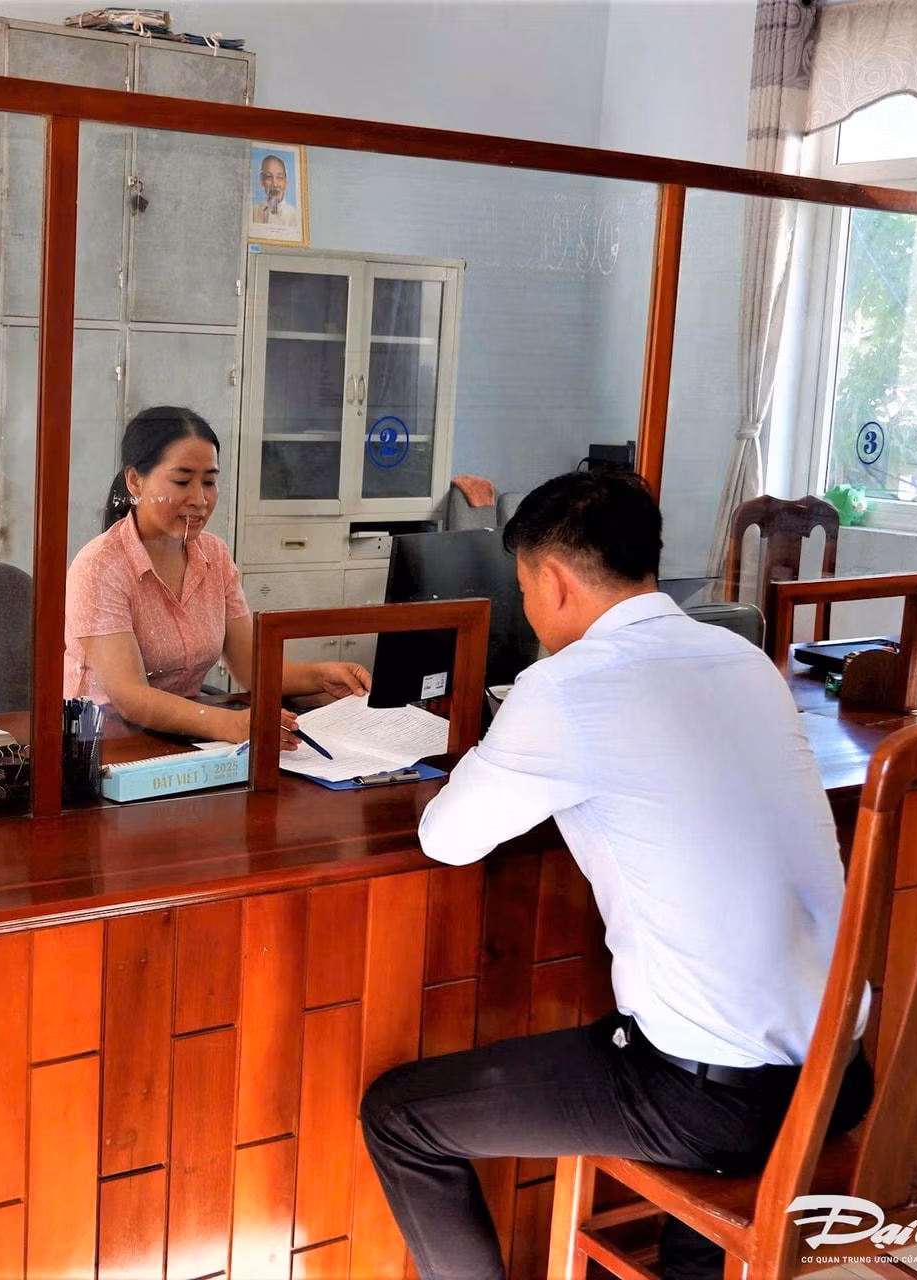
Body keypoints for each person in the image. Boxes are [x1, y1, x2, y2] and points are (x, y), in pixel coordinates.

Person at [358, 470, 873, 1280]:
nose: (527, 610)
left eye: (523, 589)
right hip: (841, 1075)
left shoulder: (567, 687)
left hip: (717, 1102)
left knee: (400, 1116)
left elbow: (447, 840)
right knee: (673, 1041)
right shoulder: (743, 659)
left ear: (554, 583)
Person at [66, 405, 369, 745]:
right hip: (102, 744)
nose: (200, 499)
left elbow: (251, 667)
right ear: (135, 481)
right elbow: (130, 697)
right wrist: (230, 725)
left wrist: (323, 675)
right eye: (182, 481)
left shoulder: (215, 556)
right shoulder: (99, 566)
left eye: (209, 482)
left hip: (185, 736)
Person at [251, 153, 300, 229]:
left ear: (286, 182)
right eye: (269, 176)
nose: (275, 184)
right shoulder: (252, 212)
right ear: (262, 180)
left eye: (279, 177)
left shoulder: (296, 216)